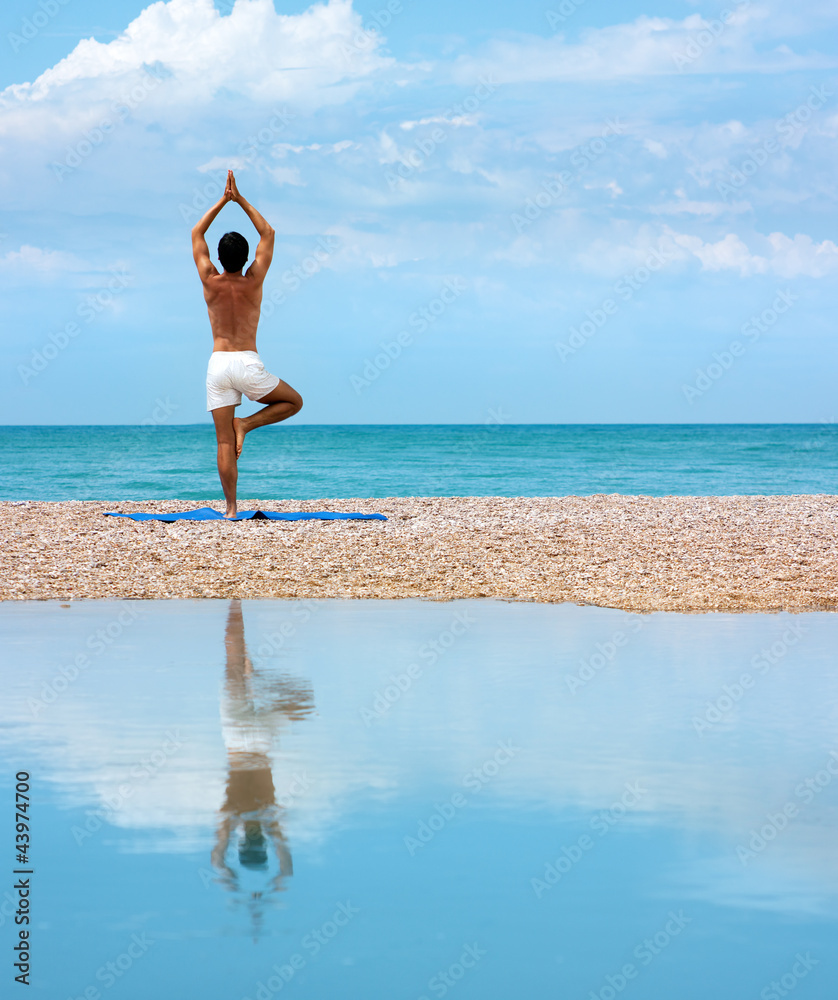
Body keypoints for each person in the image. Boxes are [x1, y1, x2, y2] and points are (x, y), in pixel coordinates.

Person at [191, 170, 303, 518]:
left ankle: (230, 510)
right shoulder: (254, 280)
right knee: (294, 402)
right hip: (247, 363)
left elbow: (197, 232)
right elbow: (268, 232)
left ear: (220, 259)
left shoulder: (210, 280)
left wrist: (222, 201)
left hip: (219, 364)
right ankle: (248, 424)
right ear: (245, 259)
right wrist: (239, 199)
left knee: (223, 443)